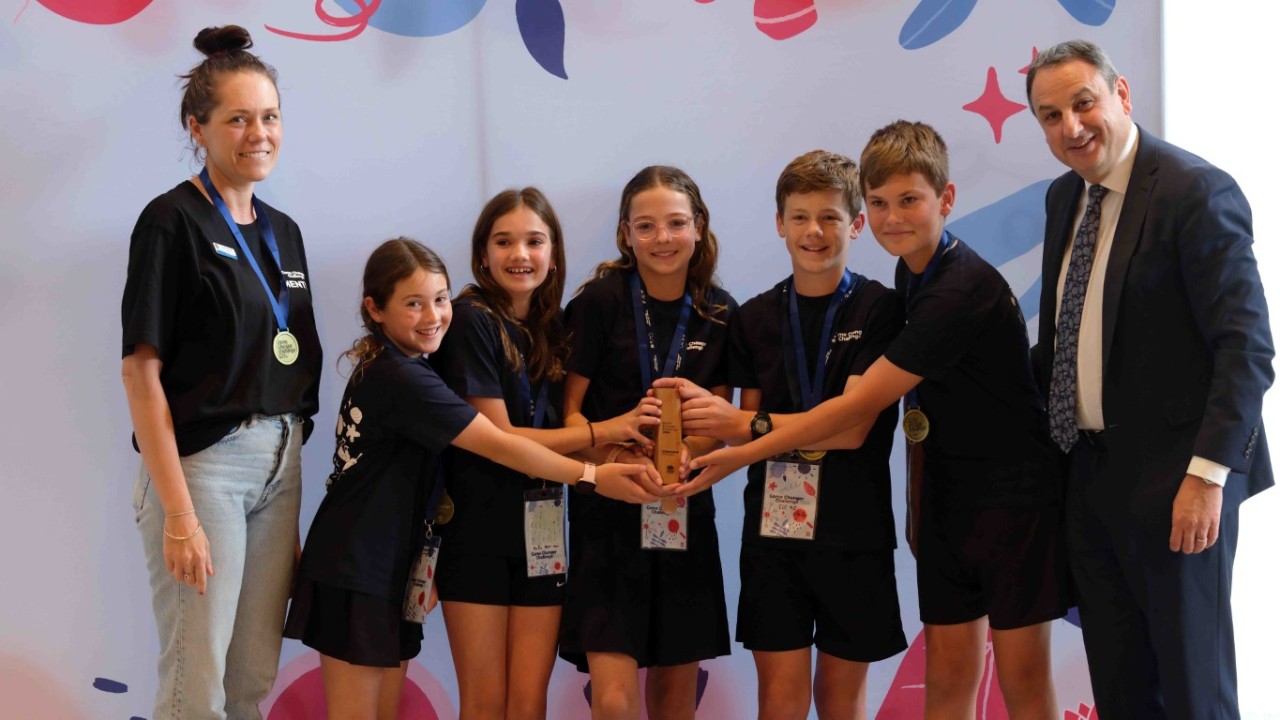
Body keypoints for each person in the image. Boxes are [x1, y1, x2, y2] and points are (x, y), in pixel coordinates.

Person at [687, 122, 1068, 720]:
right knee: (947, 675)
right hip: (944, 497)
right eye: (883, 202)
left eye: (909, 201)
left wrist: (743, 440)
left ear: (945, 199)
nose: (893, 218)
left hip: (1012, 500)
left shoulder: (953, 290)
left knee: (1021, 679)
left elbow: (857, 414)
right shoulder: (910, 276)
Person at [284, 238, 665, 720]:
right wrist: (592, 474)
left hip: (390, 567)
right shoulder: (401, 378)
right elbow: (501, 443)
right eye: (413, 303)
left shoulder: (412, 368)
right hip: (356, 567)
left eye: (440, 299)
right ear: (374, 309)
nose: (433, 315)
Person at [1025, 40, 1273, 718]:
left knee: (1196, 693)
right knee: (1122, 691)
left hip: (1180, 489)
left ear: (1121, 94)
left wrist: (1208, 476)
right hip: (1092, 483)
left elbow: (1247, 348)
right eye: (1050, 116)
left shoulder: (1194, 190)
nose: (1070, 128)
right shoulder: (1061, 198)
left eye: (1083, 104)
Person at [654, 149, 907, 720]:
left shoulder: (882, 309)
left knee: (841, 704)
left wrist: (746, 430)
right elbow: (741, 436)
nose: (813, 231)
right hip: (773, 537)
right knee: (781, 702)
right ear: (779, 223)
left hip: (855, 533)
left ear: (857, 224)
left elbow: (850, 428)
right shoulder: (755, 318)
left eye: (830, 217)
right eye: (799, 216)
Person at [119, 25, 321, 719]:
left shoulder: (284, 230)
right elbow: (141, 373)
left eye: (269, 116)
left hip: (280, 467)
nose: (257, 133)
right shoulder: (170, 222)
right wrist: (178, 514)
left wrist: (283, 489)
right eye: (237, 118)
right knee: (195, 682)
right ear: (196, 127)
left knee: (252, 678)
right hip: (204, 471)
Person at [430, 188, 660, 720]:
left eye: (534, 241)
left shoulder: (553, 330)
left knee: (528, 704)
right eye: (504, 241)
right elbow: (502, 438)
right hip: (477, 535)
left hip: (544, 533)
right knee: (486, 704)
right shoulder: (469, 320)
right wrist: (602, 436)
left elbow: (569, 423)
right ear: (481, 253)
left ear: (553, 252)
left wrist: (626, 449)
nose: (520, 255)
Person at [559, 166, 736, 720]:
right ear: (625, 234)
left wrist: (690, 455)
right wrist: (611, 461)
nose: (663, 238)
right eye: (647, 226)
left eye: (676, 223)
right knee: (613, 700)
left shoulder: (722, 311)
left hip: (682, 509)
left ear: (699, 227)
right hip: (608, 512)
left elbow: (719, 420)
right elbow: (569, 416)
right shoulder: (598, 303)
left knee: (675, 699)